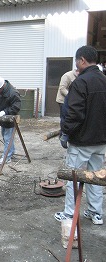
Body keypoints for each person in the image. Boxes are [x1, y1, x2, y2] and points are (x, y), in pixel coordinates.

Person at [54, 45, 106, 225]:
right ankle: (96, 213)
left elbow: (74, 114)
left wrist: (66, 133)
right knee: (95, 177)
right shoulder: (104, 80)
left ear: (82, 60)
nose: (76, 65)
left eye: (77, 61)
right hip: (100, 142)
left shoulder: (81, 82)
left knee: (73, 177)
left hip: (82, 141)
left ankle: (69, 214)